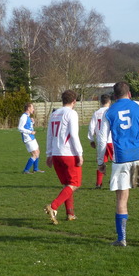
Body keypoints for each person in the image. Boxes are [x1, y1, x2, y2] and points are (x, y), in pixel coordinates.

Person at [96, 81, 139, 247]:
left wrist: (100, 162)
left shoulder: (108, 112)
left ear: (114, 96)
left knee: (122, 198)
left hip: (121, 159)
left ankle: (122, 239)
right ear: (129, 94)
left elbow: (102, 139)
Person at [44, 90, 83, 224]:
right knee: (74, 184)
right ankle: (53, 206)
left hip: (56, 154)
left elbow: (49, 135)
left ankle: (70, 213)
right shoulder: (71, 113)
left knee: (67, 184)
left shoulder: (54, 114)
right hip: (68, 153)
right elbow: (74, 135)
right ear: (74, 101)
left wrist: (49, 154)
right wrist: (80, 153)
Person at [88, 94, 114, 188]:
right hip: (111, 140)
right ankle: (114, 181)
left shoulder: (96, 113)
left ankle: (98, 183)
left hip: (100, 141)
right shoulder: (111, 111)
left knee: (101, 162)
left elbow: (91, 127)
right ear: (109, 101)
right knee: (116, 162)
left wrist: (91, 139)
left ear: (100, 102)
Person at [18, 102, 44, 174]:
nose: (33, 109)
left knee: (38, 152)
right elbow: (20, 128)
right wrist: (30, 132)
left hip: (32, 137)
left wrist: (32, 122)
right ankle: (26, 170)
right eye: (32, 107)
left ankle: (36, 169)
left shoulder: (28, 117)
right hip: (28, 138)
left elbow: (28, 126)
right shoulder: (23, 117)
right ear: (28, 108)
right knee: (34, 154)